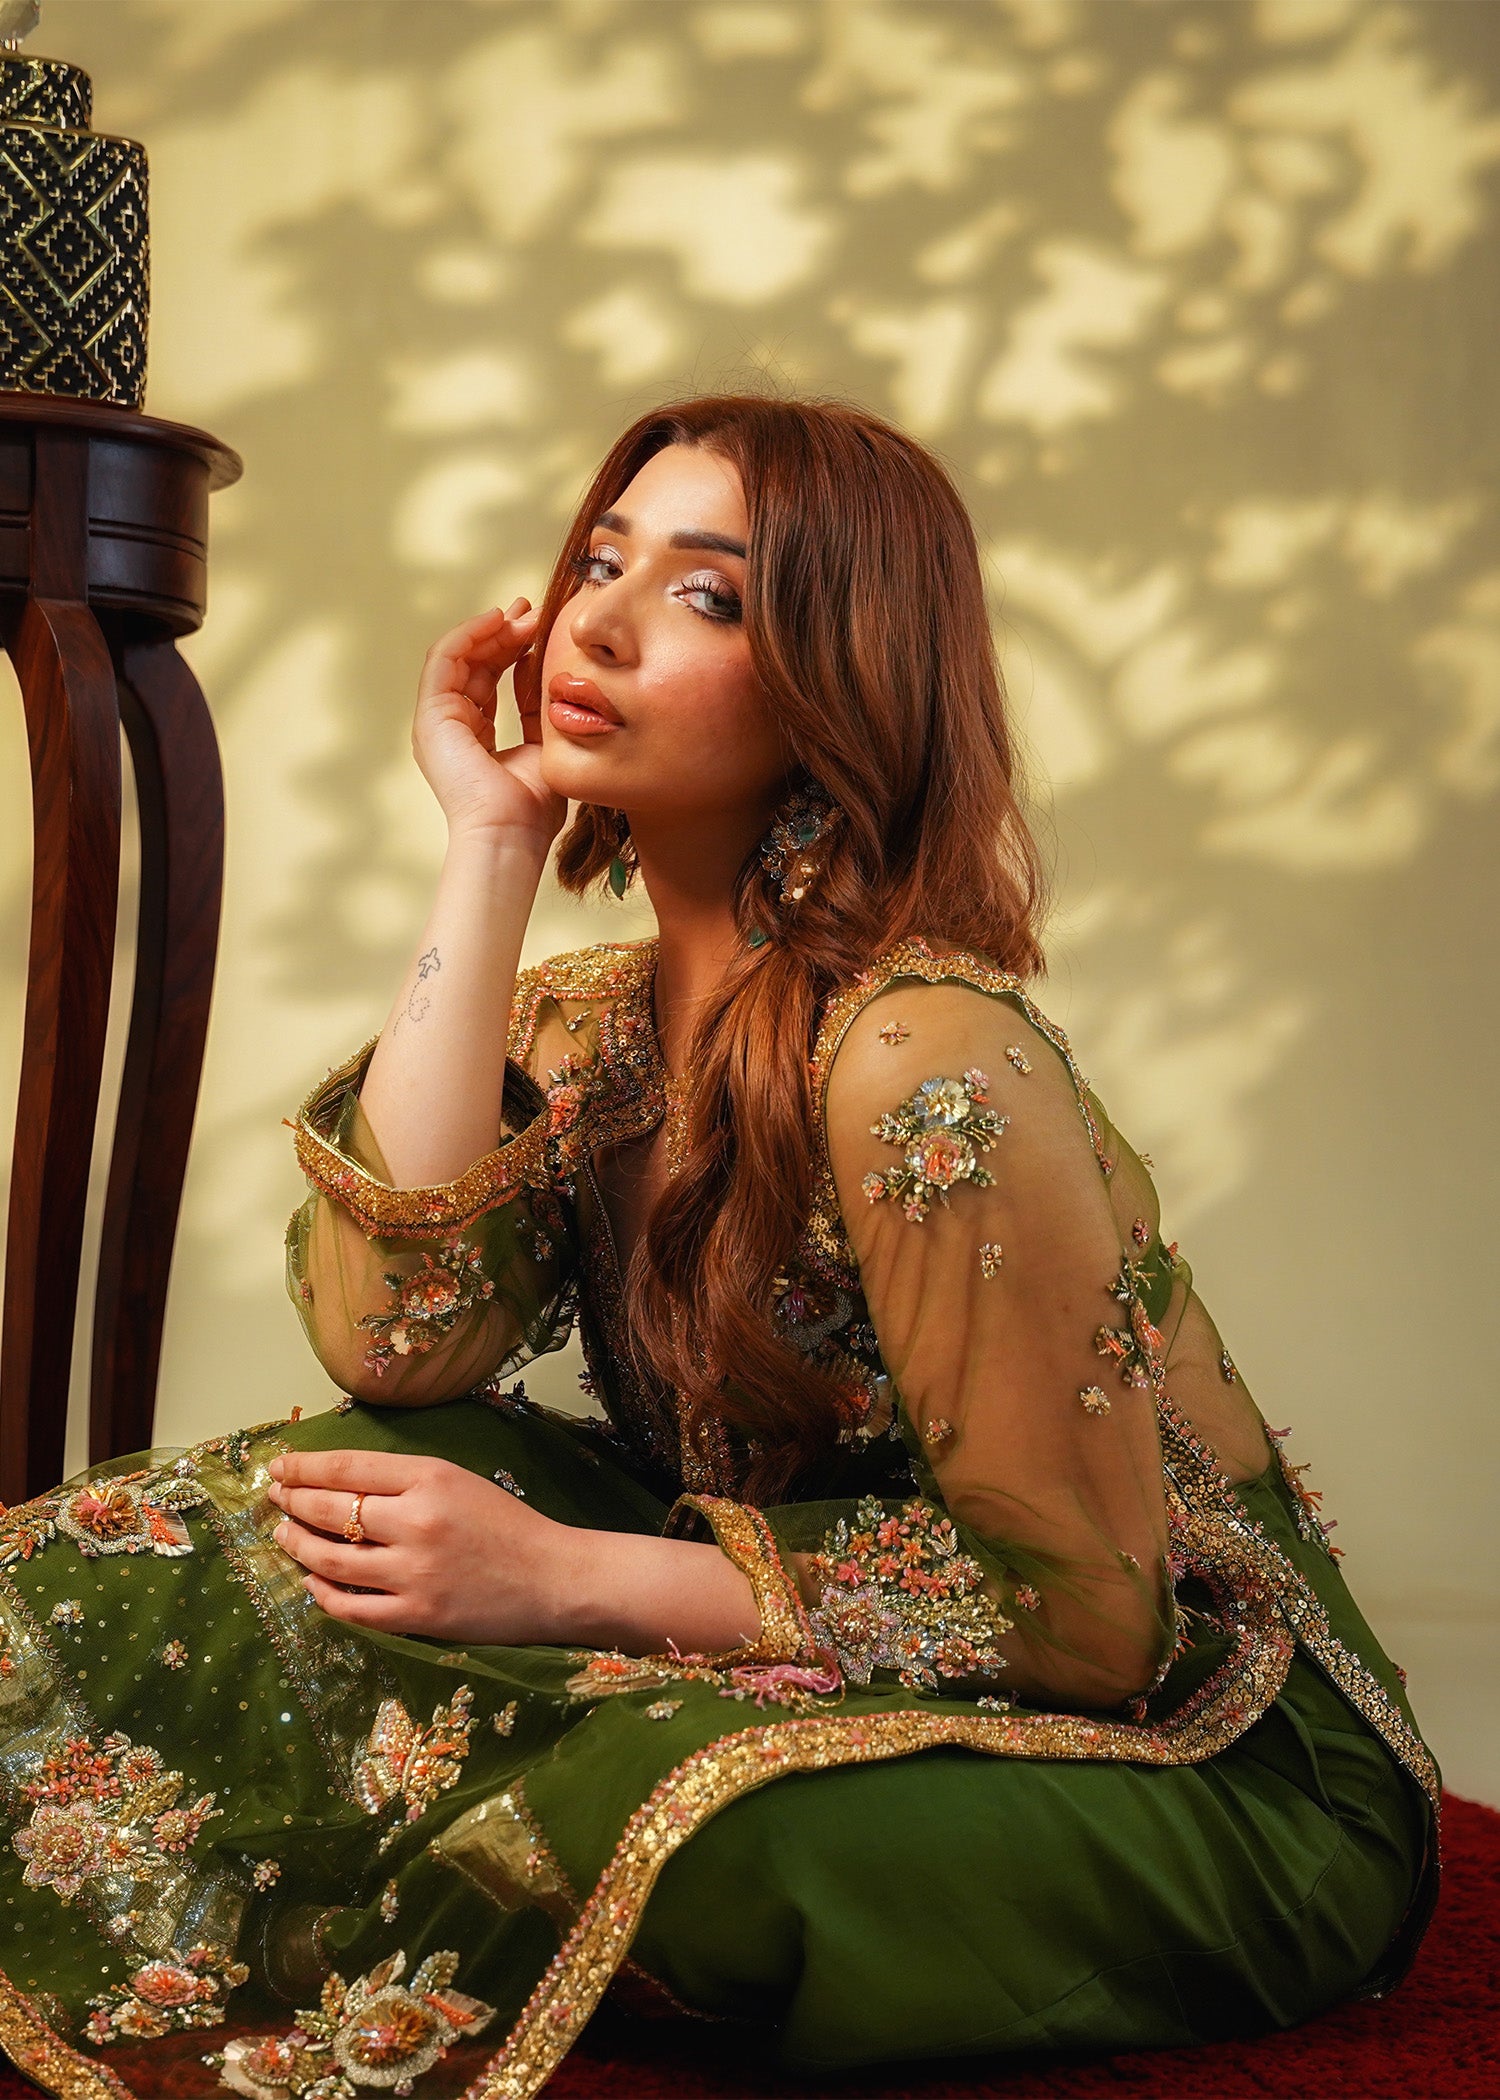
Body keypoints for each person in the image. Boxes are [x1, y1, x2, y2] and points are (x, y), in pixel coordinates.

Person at [0, 395, 1437, 2100]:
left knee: (664, 1815)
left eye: (706, 595)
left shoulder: (919, 1057)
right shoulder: (594, 1028)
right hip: (795, 1628)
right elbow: (395, 1343)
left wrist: (566, 1581)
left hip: (1202, 1750)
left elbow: (1090, 1621)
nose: (596, 623)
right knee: (254, 1516)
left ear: (843, 683)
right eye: (599, 561)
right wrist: (489, 847)